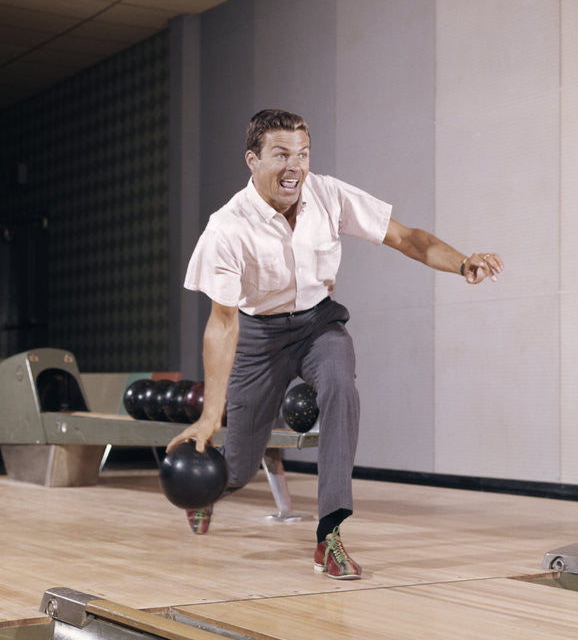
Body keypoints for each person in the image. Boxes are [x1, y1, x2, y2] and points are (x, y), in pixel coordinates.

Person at [167, 109, 503, 579]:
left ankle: (329, 536)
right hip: (259, 336)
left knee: (341, 386)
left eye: (302, 154)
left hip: (317, 325)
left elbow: (406, 238)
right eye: (281, 155)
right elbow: (222, 324)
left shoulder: (327, 195)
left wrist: (462, 261)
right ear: (252, 159)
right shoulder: (227, 228)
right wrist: (208, 416)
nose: (295, 167)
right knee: (238, 468)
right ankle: (209, 494)